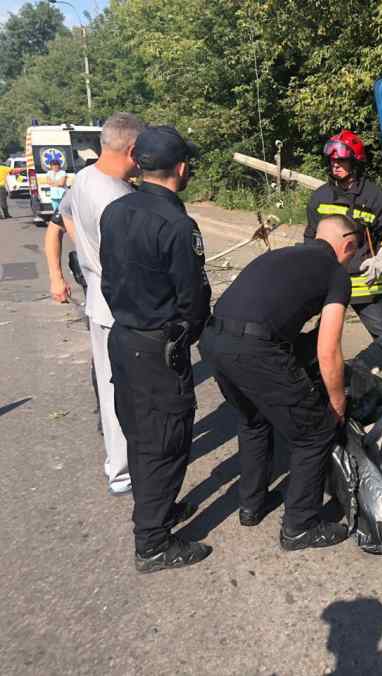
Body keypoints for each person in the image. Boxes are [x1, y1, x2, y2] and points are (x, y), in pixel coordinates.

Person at [200, 215, 358, 551]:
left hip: (214, 341)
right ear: (347, 244)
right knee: (315, 432)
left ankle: (252, 504)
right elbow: (328, 350)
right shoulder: (336, 274)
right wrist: (336, 403)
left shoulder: (281, 255)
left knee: (254, 420)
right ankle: (300, 526)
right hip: (254, 349)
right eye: (354, 251)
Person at [100, 125, 211, 573]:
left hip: (123, 338)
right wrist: (192, 330)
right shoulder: (177, 224)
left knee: (142, 433)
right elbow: (193, 297)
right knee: (165, 441)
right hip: (158, 344)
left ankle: (158, 513)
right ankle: (153, 542)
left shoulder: (115, 211)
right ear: (181, 168)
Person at [44, 112, 146, 496]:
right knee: (134, 394)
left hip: (99, 303)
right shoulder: (119, 200)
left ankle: (118, 469)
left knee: (109, 388)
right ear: (134, 150)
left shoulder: (84, 178)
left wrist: (86, 254)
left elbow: (66, 218)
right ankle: (131, 471)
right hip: (122, 309)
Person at [305, 130, 382, 375]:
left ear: (355, 161)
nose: (336, 166)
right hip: (328, 281)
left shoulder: (374, 196)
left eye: (342, 161)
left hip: (364, 280)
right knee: (322, 336)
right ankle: (316, 379)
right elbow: (310, 237)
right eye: (332, 161)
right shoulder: (320, 197)